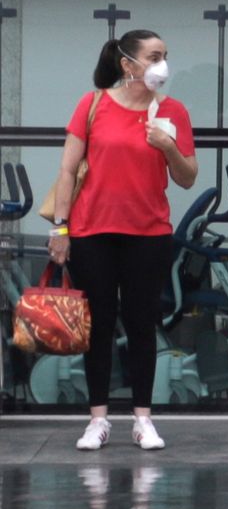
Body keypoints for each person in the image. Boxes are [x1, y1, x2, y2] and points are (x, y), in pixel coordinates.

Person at [54, 29, 198, 451]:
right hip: (92, 232)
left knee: (141, 324)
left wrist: (167, 147)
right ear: (128, 64)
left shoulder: (173, 111)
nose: (162, 65)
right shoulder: (93, 103)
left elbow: (187, 177)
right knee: (97, 325)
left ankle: (143, 419)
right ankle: (98, 419)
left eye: (165, 56)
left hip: (148, 234)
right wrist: (59, 228)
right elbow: (67, 170)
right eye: (154, 56)